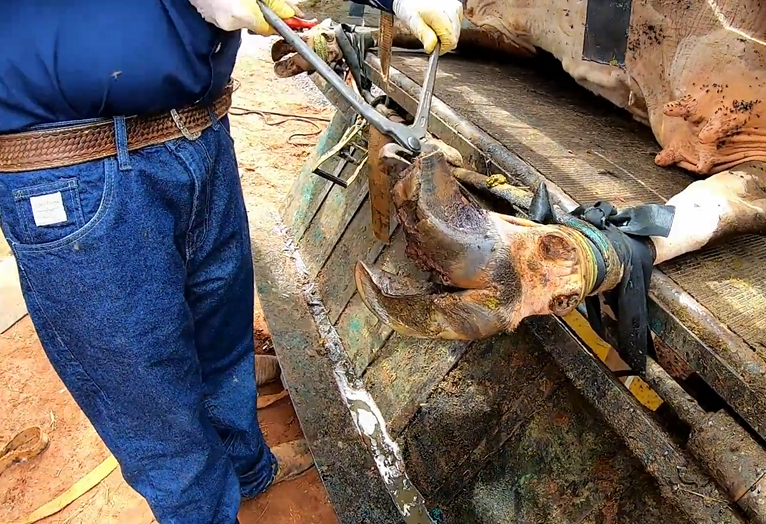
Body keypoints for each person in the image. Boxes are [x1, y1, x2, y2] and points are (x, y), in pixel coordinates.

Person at [0, 1, 461, 523]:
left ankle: (247, 471)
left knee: (222, 338)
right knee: (151, 400)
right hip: (75, 166)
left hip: (199, 134)